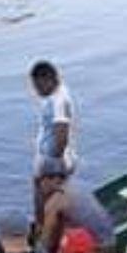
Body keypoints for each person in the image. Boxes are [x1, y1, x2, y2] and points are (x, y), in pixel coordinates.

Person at [36, 157, 115, 253]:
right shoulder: (78, 185)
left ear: (48, 179)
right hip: (111, 241)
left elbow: (45, 244)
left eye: (39, 182)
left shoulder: (56, 201)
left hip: (96, 251)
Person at [30, 61, 78, 219]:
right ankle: (44, 228)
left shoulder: (59, 101)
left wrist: (52, 168)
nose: (36, 91)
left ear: (48, 79)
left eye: (37, 86)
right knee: (47, 199)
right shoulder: (58, 93)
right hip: (52, 159)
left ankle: (45, 234)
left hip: (54, 161)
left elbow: (61, 136)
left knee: (48, 202)